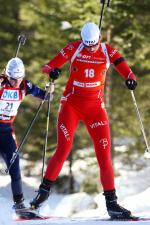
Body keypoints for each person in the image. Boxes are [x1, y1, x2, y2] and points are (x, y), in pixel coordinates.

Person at [30, 22, 137, 219]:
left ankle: (112, 204)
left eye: (94, 44)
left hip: (95, 109)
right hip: (71, 105)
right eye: (87, 45)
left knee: (104, 155)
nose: (91, 48)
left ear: (99, 39)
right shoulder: (74, 48)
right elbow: (48, 66)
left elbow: (125, 68)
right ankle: (41, 196)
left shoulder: (107, 50)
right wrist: (52, 71)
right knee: (63, 148)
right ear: (82, 40)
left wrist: (130, 78)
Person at [0, 57, 51, 212]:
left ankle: (19, 204)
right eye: (13, 79)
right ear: (7, 75)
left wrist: (49, 91)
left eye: (19, 78)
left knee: (14, 165)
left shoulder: (24, 85)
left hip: (6, 131)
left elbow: (44, 95)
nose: (16, 82)